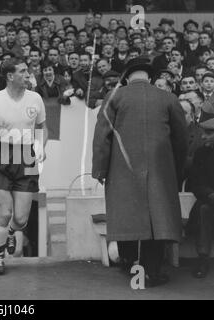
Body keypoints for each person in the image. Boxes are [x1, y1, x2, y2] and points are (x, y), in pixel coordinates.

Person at [92, 56, 188, 287]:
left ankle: (129, 263)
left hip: (122, 168)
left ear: (126, 76)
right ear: (151, 76)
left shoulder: (113, 97)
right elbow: (181, 140)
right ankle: (151, 272)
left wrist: (100, 170)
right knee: (156, 220)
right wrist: (176, 170)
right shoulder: (169, 98)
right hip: (160, 170)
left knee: (127, 216)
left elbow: (101, 138)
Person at [0, 58, 48, 275]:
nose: (28, 74)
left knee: (21, 219)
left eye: (28, 71)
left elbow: (42, 127)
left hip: (25, 156)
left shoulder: (35, 98)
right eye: (23, 71)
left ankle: (10, 234)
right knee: (4, 214)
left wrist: (41, 146)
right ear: (10, 76)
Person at [187, 118, 214, 278]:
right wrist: (211, 195)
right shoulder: (201, 153)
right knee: (204, 209)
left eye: (208, 133)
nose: (203, 137)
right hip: (210, 201)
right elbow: (197, 184)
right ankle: (203, 258)